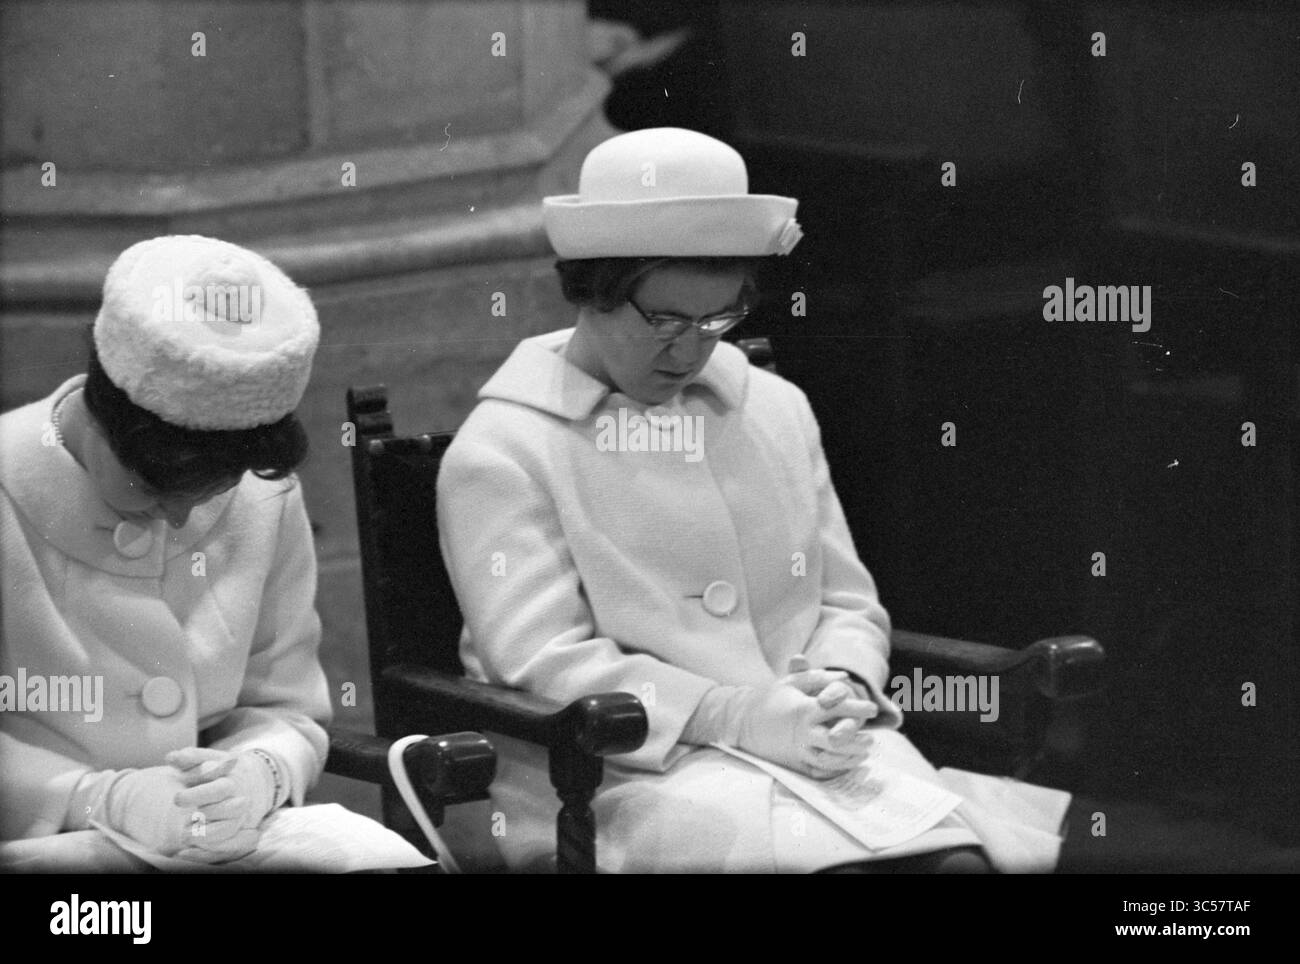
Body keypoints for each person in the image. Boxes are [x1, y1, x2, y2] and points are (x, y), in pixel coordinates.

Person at [437, 128, 1071, 872]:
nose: (691, 352)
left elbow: (845, 602)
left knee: (958, 865)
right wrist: (732, 713)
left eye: (718, 320)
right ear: (591, 291)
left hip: (810, 749)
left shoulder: (772, 407)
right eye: (665, 321)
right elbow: (544, 663)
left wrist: (838, 685)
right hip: (623, 773)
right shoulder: (503, 448)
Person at [0, 235, 331, 867]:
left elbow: (286, 706)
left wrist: (261, 769)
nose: (180, 517)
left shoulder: (267, 497)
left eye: (213, 490)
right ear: (101, 417)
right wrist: (100, 799)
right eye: (151, 487)